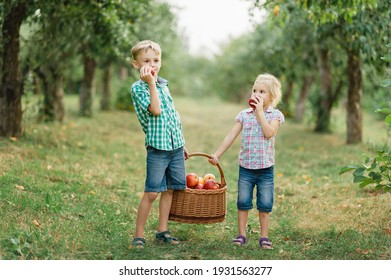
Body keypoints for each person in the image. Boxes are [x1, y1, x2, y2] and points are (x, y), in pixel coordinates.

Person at [209, 73, 284, 249]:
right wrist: (218, 154)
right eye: (254, 90)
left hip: (266, 169)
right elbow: (230, 136)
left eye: (262, 92)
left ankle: (264, 237)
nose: (257, 94)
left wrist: (260, 113)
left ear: (272, 97)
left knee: (265, 204)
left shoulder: (275, 115)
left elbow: (268, 133)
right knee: (243, 202)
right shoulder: (244, 115)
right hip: (246, 168)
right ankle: (241, 234)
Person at [129, 40, 189, 248]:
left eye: (156, 60)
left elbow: (172, 116)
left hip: (174, 146)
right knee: (152, 192)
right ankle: (138, 234)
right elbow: (156, 110)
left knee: (170, 189)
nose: (152, 65)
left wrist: (181, 143)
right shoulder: (139, 88)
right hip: (157, 148)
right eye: (146, 61)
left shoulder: (164, 85)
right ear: (136, 64)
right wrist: (151, 83)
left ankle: (162, 230)